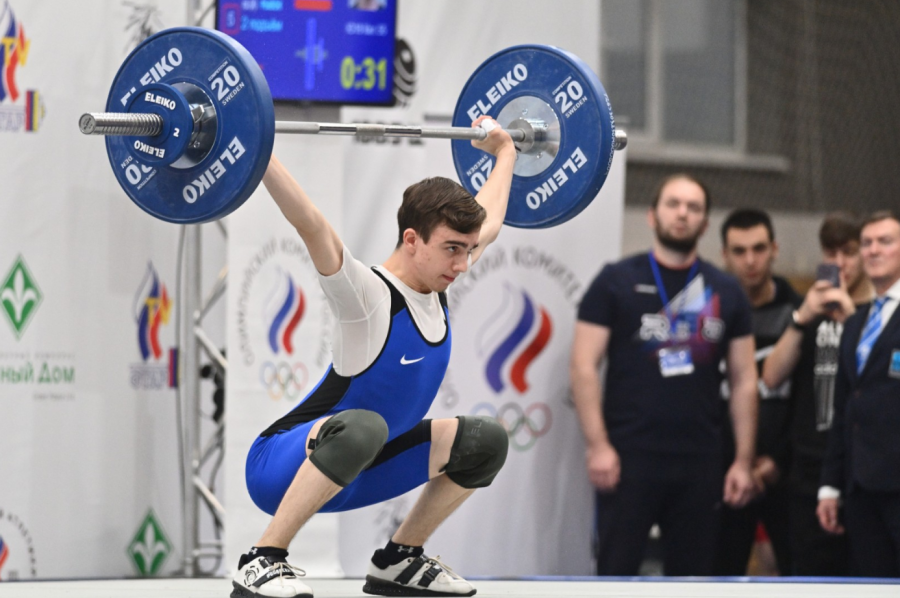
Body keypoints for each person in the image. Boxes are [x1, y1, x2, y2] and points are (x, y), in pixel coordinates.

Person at [231, 116, 516, 598]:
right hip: (282, 467)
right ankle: (262, 560)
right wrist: (252, 143)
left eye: (468, 251)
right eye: (452, 249)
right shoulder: (365, 295)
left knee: (486, 441)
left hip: (365, 468)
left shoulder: (441, 279)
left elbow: (489, 220)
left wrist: (506, 151)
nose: (464, 264)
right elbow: (310, 223)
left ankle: (399, 560)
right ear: (411, 239)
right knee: (364, 426)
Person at [570, 173, 758, 576]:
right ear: (653, 216)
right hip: (628, 457)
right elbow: (583, 366)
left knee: (693, 576)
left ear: (705, 224)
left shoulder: (726, 290)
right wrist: (597, 445)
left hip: (701, 461)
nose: (682, 214)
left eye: (693, 207)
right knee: (616, 570)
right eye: (673, 204)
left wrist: (742, 460)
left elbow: (745, 381)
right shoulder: (615, 281)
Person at [762, 212, 872, 575]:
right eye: (831, 252)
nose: (839, 263)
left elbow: (879, 382)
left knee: (866, 572)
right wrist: (801, 317)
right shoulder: (810, 311)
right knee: (808, 574)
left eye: (849, 252)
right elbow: (771, 376)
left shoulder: (880, 314)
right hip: (808, 466)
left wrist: (851, 318)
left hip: (862, 470)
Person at [714, 209, 800, 576]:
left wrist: (777, 462)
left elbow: (809, 403)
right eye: (739, 250)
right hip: (726, 474)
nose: (750, 260)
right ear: (725, 255)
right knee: (717, 576)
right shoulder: (710, 314)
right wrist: (736, 465)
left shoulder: (799, 314)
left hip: (785, 473)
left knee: (801, 576)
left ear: (774, 249)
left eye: (759, 248)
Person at [818, 211, 900, 577]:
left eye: (885, 241)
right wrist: (830, 485)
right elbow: (844, 407)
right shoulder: (855, 322)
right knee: (869, 581)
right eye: (867, 243)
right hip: (861, 485)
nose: (873, 250)